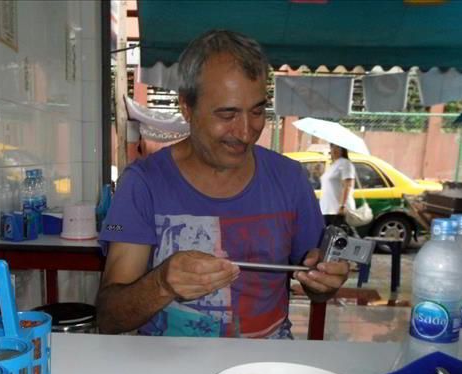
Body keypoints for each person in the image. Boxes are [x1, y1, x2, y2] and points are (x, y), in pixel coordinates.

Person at [96, 29, 349, 339]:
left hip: (266, 365)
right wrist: (161, 283)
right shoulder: (143, 183)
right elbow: (109, 317)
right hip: (166, 371)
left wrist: (325, 281)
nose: (245, 132)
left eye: (257, 111)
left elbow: (317, 289)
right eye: (227, 114)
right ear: (186, 108)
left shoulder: (290, 179)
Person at [319, 144, 356, 228]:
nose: (334, 149)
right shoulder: (333, 164)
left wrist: (342, 206)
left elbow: (347, 185)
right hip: (326, 209)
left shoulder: (345, 163)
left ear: (343, 149)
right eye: (332, 146)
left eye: (338, 147)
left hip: (337, 210)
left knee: (338, 237)